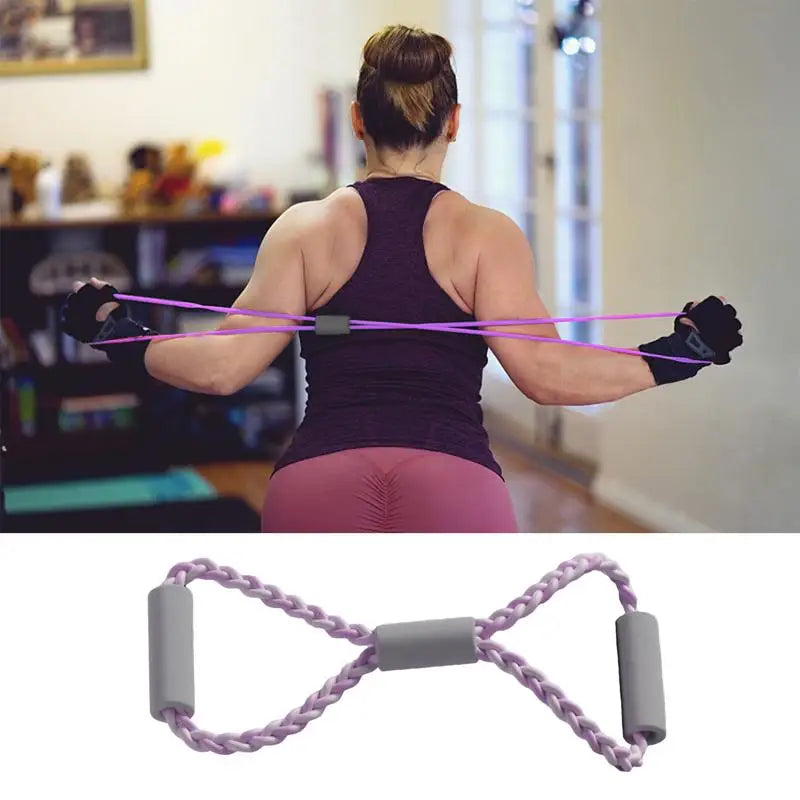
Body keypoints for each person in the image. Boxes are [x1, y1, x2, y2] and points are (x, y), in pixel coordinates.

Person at [62, 25, 743, 533]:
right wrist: (679, 355)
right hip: (455, 482)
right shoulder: (487, 234)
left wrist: (116, 332)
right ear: (452, 122)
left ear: (359, 121)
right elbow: (547, 375)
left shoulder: (304, 229)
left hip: (315, 481)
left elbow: (221, 369)